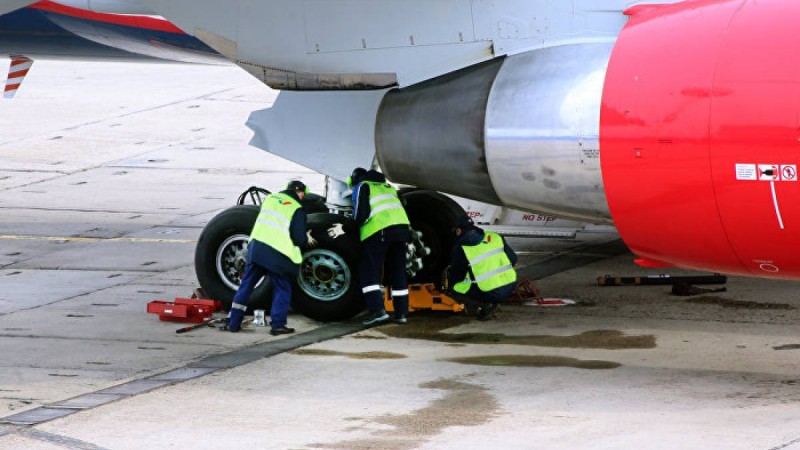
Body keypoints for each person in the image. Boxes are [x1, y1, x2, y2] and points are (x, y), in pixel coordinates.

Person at [225, 180, 316, 334]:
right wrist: (307, 238)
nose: (303, 197)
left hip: (256, 248)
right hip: (277, 252)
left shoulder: (270, 199)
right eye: (303, 194)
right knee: (282, 287)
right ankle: (278, 325)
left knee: (246, 287)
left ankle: (233, 323)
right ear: (298, 192)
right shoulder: (297, 208)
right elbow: (298, 239)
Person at [330, 167, 411, 325]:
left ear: (355, 180)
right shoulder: (388, 187)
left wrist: (344, 227)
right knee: (398, 272)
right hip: (401, 231)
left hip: (379, 232)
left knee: (369, 271)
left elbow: (361, 214)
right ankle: (401, 313)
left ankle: (377, 312)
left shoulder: (363, 186)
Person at [446, 215, 517, 321]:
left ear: (458, 231)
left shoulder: (461, 249)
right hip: (510, 284)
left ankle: (484, 305)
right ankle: (493, 299)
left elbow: (457, 275)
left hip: (492, 292)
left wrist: (448, 283)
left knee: (454, 290)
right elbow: (513, 259)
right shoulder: (494, 237)